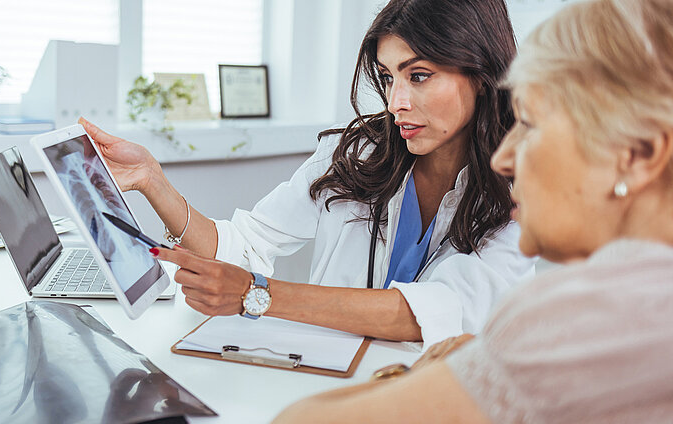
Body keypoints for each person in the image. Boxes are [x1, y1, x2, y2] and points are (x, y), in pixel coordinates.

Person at [274, 0, 673, 421]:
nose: (506, 158)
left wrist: (434, 377)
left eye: (531, 124)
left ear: (639, 154)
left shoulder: (586, 318)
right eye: (389, 78)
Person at [82, 0, 535, 347]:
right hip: (323, 379)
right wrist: (152, 180)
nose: (396, 101)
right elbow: (245, 246)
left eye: (418, 76)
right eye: (387, 76)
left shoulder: (526, 189)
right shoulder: (356, 154)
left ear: (481, 73)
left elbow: (435, 312)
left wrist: (257, 295)